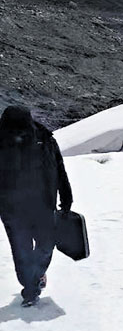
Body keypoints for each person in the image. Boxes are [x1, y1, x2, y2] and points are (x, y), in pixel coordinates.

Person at [0, 106, 73, 307]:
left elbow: (59, 167)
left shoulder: (44, 138)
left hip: (42, 204)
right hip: (13, 209)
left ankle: (36, 276)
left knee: (43, 246)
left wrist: (66, 196)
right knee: (23, 249)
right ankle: (30, 289)